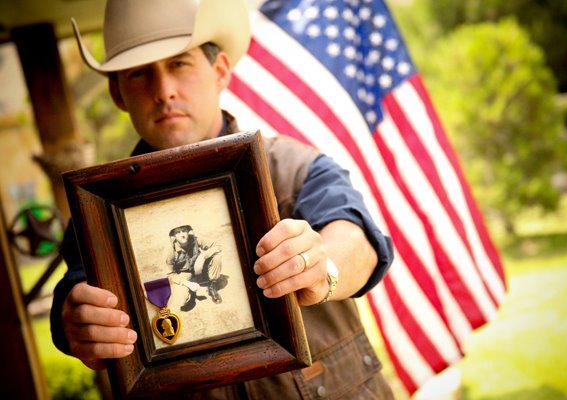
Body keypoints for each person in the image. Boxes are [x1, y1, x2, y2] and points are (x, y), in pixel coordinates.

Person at [50, 0, 395, 398]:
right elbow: (76, 290)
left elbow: (357, 238)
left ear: (220, 71)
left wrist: (323, 266)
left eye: (180, 64)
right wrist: (75, 321)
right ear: (117, 93)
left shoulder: (294, 166)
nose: (164, 91)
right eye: (139, 73)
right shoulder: (98, 210)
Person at [166, 224, 224, 308]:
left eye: (184, 231)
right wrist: (187, 284)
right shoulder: (169, 250)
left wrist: (206, 254)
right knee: (181, 301)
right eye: (178, 233)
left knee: (217, 258)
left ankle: (212, 285)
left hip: (198, 266)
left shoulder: (194, 239)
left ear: (188, 231)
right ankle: (190, 291)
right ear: (173, 236)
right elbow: (170, 274)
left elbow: (217, 245)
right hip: (184, 273)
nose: (182, 235)